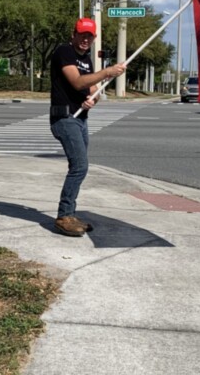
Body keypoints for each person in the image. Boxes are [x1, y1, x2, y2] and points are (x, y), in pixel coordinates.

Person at [50, 18, 126, 237]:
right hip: (64, 118)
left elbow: (92, 89)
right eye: (82, 34)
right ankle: (64, 216)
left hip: (81, 118)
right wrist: (108, 72)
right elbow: (76, 82)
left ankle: (70, 213)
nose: (85, 39)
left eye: (90, 36)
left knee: (79, 167)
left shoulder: (87, 60)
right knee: (80, 166)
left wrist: (92, 100)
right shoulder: (64, 52)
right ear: (73, 34)